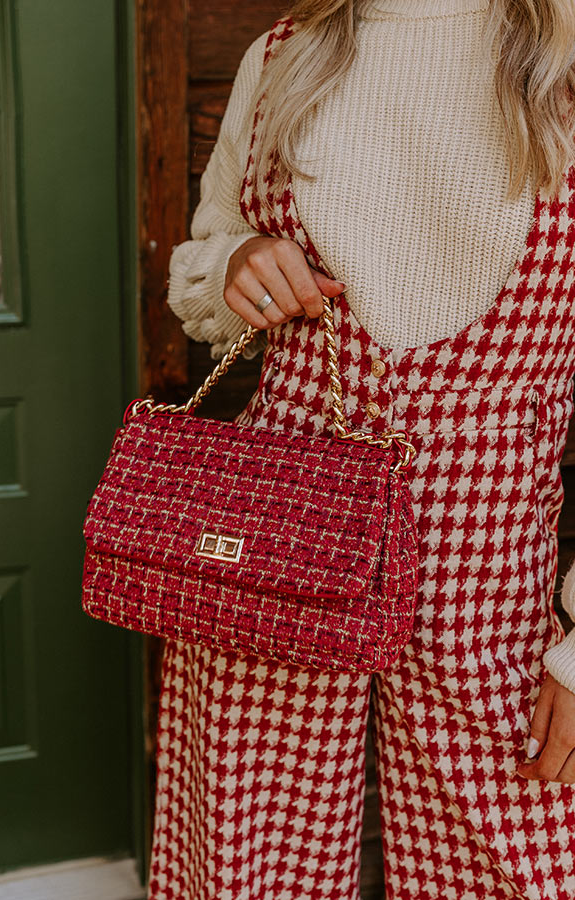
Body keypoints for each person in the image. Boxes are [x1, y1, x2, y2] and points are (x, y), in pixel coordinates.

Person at [146, 2, 575, 898]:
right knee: (246, 859)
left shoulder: (565, 56)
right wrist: (234, 266)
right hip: (279, 524)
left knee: (508, 860)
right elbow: (204, 261)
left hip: (492, 564)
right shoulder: (285, 55)